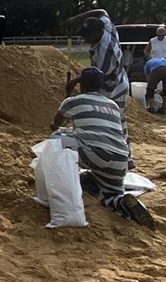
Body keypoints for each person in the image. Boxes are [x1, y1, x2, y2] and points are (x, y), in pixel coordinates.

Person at [50, 67, 155, 228]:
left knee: (55, 139)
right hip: (120, 158)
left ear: (82, 84)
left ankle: (64, 184)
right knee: (111, 195)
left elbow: (55, 125)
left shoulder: (73, 101)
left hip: (94, 153)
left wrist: (69, 95)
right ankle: (123, 203)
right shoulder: (113, 105)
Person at [66, 8, 134, 168]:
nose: (85, 39)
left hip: (112, 88)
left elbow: (96, 79)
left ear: (98, 32)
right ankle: (127, 157)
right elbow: (102, 11)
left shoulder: (105, 52)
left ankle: (119, 157)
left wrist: (75, 82)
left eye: (87, 36)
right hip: (117, 81)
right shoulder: (106, 25)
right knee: (119, 122)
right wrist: (77, 16)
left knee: (111, 123)